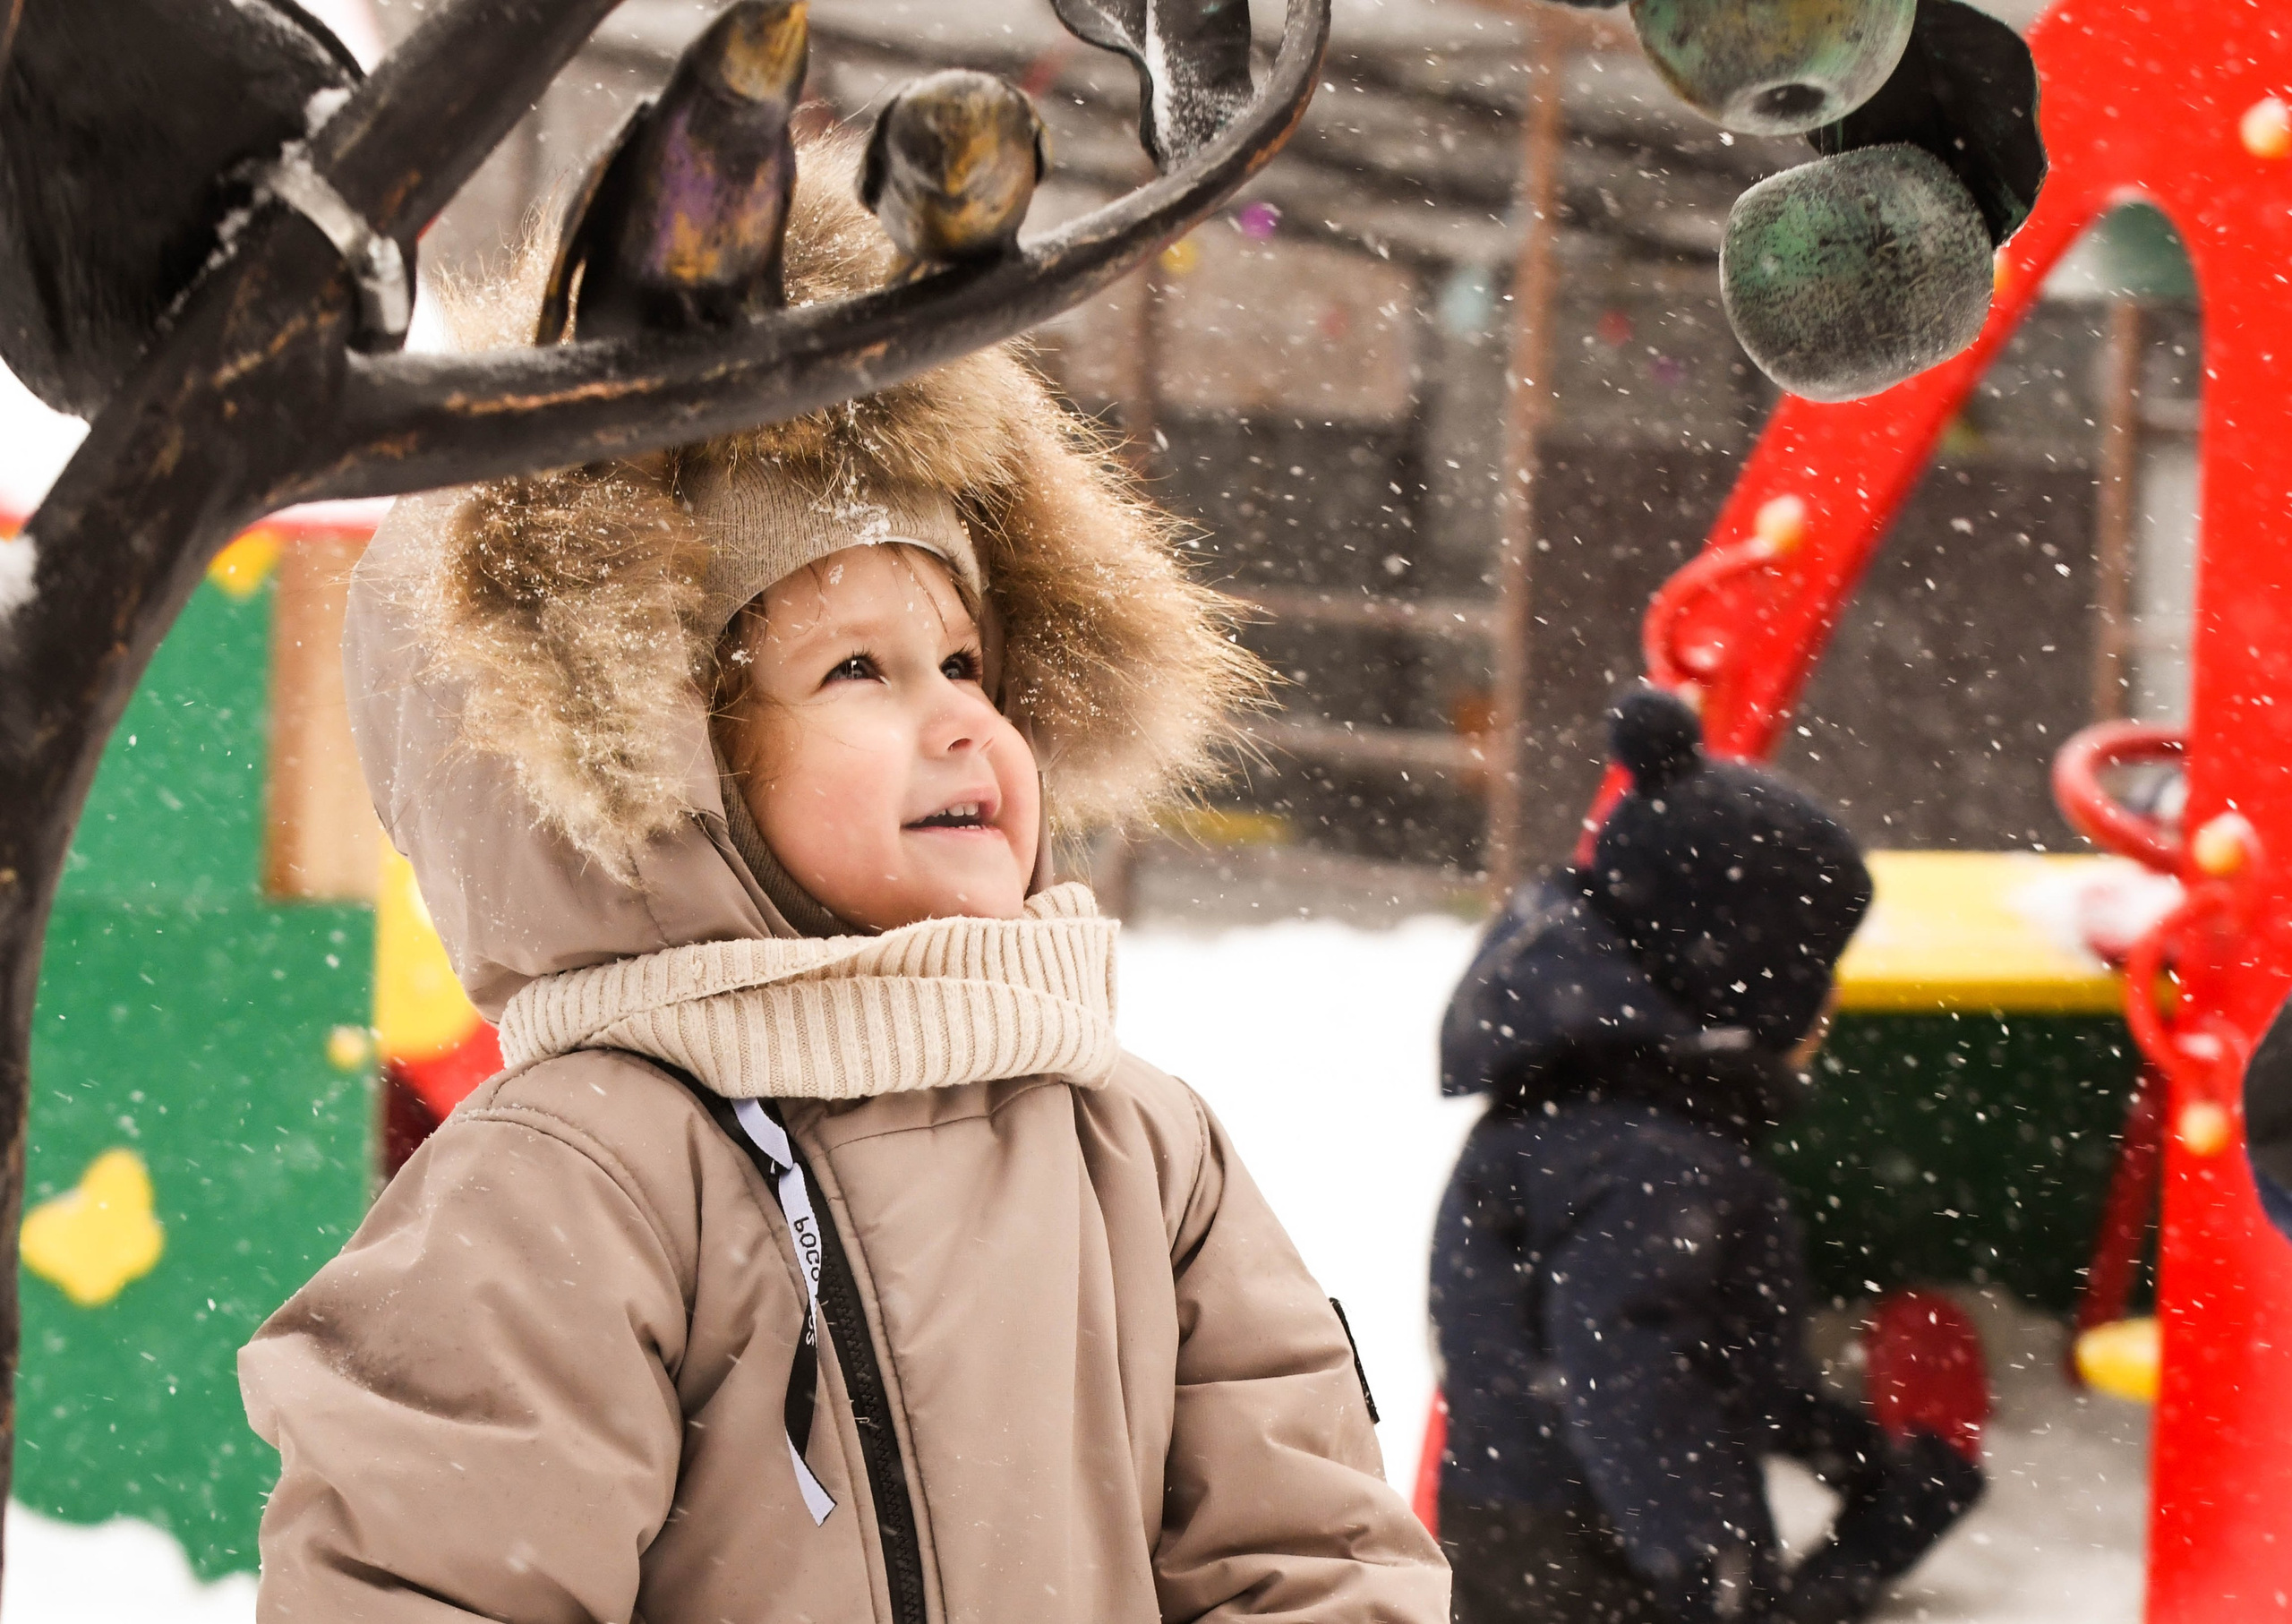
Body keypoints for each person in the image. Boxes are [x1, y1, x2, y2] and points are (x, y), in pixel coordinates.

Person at [237, 136, 1448, 1624]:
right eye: (856, 668)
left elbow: (1312, 1549)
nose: (956, 714)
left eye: (962, 659)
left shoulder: (1137, 1146)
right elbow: (436, 1582)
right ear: (669, 769)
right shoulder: (587, 1174)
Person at [1428, 686, 1980, 1624]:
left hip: (1542, 1527)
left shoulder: (1610, 1112)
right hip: (1586, 1554)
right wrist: (1703, 1558)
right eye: (1813, 970)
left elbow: (1700, 1355)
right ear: (1731, 975)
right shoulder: (1649, 1152)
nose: (1829, 1002)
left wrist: (1838, 1445)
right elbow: (1621, 1365)